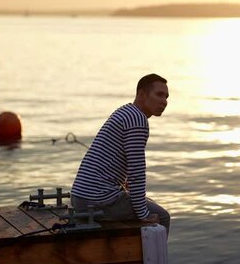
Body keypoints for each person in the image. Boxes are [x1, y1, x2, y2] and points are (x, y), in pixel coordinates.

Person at [71, 73, 171, 234]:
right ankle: (154, 259)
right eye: (159, 95)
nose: (164, 101)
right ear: (142, 94)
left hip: (81, 196)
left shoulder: (125, 111)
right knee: (162, 216)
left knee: (143, 200)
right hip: (98, 200)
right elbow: (136, 171)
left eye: (166, 97)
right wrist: (143, 214)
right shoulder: (138, 120)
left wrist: (125, 186)